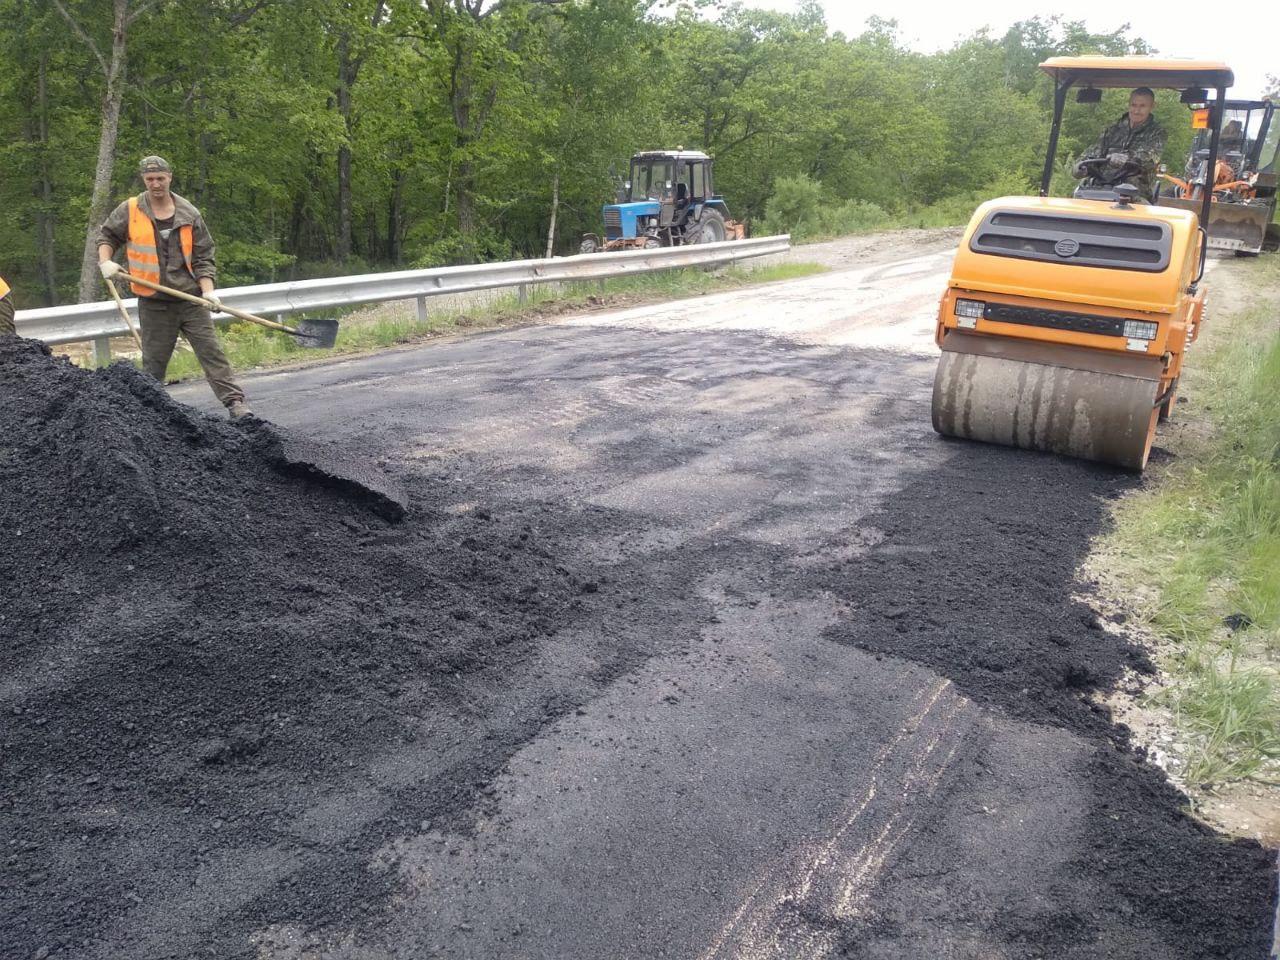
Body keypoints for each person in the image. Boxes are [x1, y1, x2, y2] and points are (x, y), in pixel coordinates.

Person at [97, 155, 251, 418]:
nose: (156, 184)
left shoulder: (189, 213)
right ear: (144, 180)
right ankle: (147, 417)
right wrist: (106, 262)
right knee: (154, 364)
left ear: (170, 178)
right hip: (154, 302)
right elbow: (107, 235)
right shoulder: (130, 209)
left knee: (211, 353)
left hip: (190, 299)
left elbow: (203, 257)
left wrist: (208, 291)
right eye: (150, 179)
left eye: (160, 178)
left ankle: (236, 404)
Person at [1073, 87, 1167, 200]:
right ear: (1129, 104)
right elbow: (1093, 152)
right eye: (1133, 105)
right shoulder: (1112, 130)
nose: (1136, 111)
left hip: (1134, 191)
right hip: (1099, 187)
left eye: (1142, 106)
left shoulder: (1157, 133)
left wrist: (1125, 159)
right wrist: (1080, 166)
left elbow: (1148, 158)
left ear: (1152, 106)